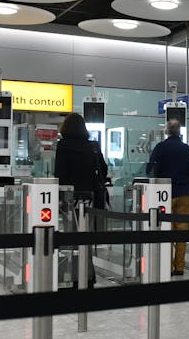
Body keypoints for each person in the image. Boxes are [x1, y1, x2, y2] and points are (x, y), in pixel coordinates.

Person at [55, 113, 108, 288]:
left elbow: (60, 174)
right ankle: (89, 276)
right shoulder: (92, 145)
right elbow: (104, 170)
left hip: (70, 198)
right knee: (86, 237)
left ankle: (74, 276)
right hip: (90, 198)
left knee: (72, 237)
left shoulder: (63, 145)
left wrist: (59, 198)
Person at [146, 120, 189, 276]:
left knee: (166, 229)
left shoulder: (161, 147)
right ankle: (179, 267)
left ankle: (166, 265)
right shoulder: (187, 149)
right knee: (181, 231)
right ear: (179, 131)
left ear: (167, 131)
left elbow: (151, 169)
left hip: (165, 194)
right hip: (184, 193)